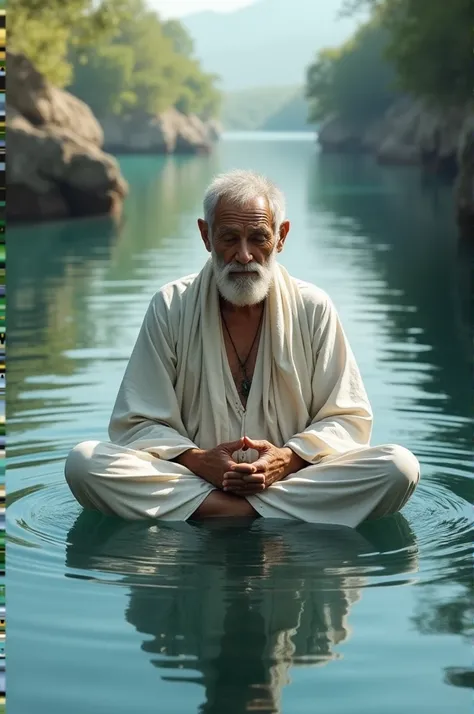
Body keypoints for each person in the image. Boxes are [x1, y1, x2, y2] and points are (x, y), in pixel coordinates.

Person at [65, 170, 420, 525]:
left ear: (281, 238)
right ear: (206, 236)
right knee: (84, 463)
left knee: (397, 468)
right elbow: (138, 422)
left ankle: (223, 512)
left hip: (290, 479)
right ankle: (268, 513)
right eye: (229, 238)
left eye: (258, 238)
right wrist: (199, 461)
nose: (244, 255)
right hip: (196, 479)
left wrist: (287, 460)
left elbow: (347, 419)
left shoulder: (313, 308)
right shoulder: (171, 305)